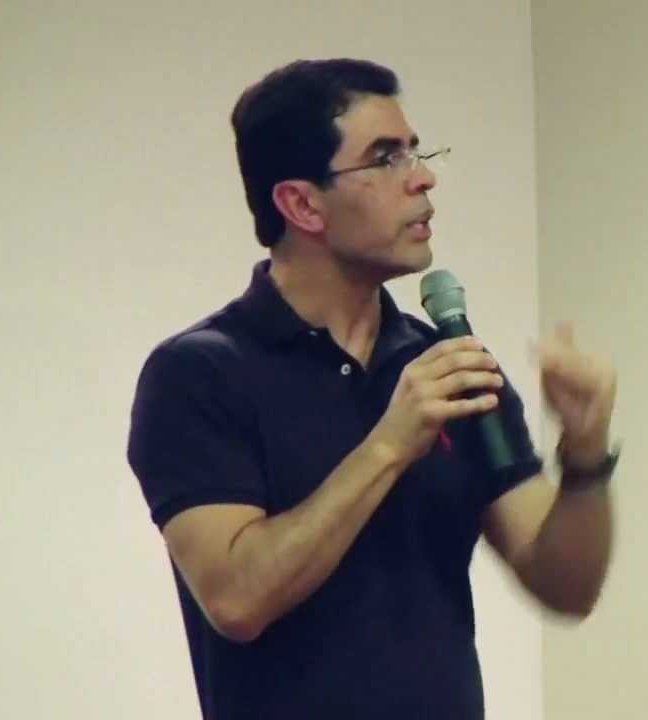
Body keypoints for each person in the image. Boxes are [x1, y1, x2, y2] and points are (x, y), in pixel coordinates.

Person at [125, 58, 619, 719]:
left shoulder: (447, 367)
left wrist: (585, 453)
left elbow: (566, 587)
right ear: (302, 204)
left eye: (416, 151)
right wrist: (388, 445)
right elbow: (237, 599)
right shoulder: (199, 374)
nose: (423, 178)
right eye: (385, 158)